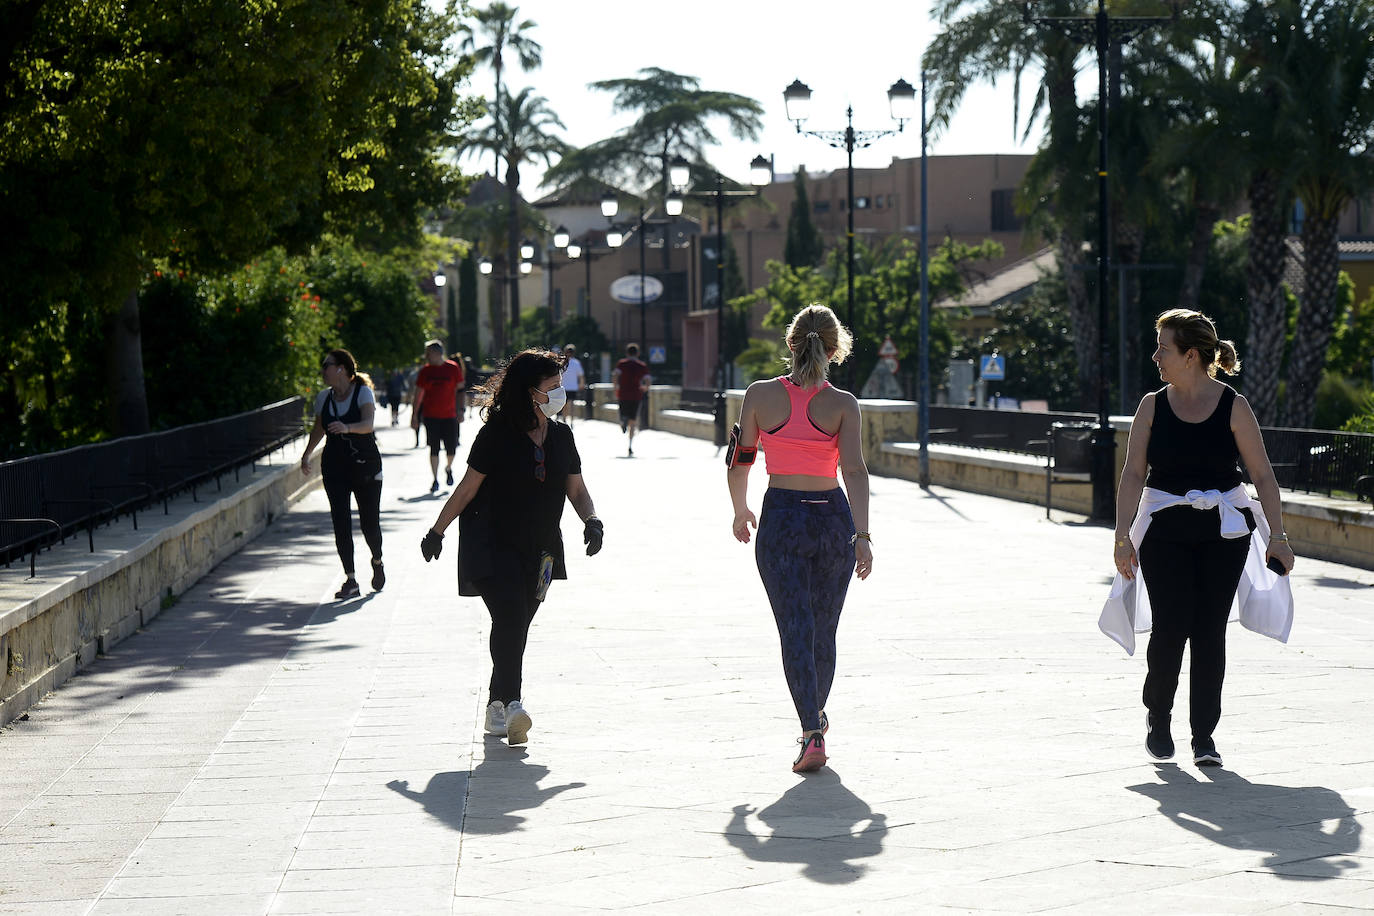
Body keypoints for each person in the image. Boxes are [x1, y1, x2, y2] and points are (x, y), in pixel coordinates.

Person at [1114, 309, 1295, 768]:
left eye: (1164, 348)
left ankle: (1204, 738)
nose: (1156, 356)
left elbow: (1262, 476)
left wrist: (1278, 536)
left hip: (1224, 532)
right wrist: (1122, 536)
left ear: (1190, 355)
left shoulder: (1233, 405)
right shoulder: (1151, 406)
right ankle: (1158, 713)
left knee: (1210, 632)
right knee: (1171, 626)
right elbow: (1134, 473)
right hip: (1164, 532)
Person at [420, 349, 604, 746]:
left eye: (561, 385)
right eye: (552, 386)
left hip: (542, 551)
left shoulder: (561, 436)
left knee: (516, 625)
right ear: (529, 391)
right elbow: (468, 488)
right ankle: (515, 704)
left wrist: (591, 520)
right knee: (509, 615)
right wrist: (437, 530)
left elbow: (577, 488)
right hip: (493, 543)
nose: (561, 393)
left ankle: (495, 705)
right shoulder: (496, 434)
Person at [727, 304, 872, 774]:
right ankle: (816, 722)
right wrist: (863, 535)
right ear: (835, 350)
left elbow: (740, 460)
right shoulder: (844, 404)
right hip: (833, 519)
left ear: (790, 344)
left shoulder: (759, 396)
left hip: (782, 517)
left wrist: (741, 508)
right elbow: (854, 470)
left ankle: (812, 729)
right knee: (823, 629)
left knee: (795, 628)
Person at [300, 349, 385, 600]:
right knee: (340, 522)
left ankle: (377, 561)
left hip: (365, 465)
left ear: (342, 368)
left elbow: (368, 423)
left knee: (369, 522)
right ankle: (351, 579)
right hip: (335, 467)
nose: (323, 369)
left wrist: (347, 427)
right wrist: (306, 454)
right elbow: (318, 429)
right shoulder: (323, 398)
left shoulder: (362, 392)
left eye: (327, 365)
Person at [412, 340, 464, 493]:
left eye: (429, 354)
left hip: (450, 415)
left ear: (438, 353)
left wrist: (461, 410)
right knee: (433, 448)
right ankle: (435, 479)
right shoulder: (425, 372)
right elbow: (418, 394)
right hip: (431, 416)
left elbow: (460, 390)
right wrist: (414, 415)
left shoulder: (453, 369)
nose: (427, 357)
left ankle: (448, 468)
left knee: (451, 449)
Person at [612, 343, 651, 456]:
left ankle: (623, 421)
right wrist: (645, 388)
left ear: (627, 352)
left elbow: (615, 375)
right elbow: (648, 379)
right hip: (636, 395)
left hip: (623, 394)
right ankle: (630, 444)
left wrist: (615, 387)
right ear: (637, 353)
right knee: (633, 420)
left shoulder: (622, 364)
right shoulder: (641, 365)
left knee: (623, 414)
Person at [559, 344, 585, 427]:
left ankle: (564, 419)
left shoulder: (562, 362)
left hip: (563, 386)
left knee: (564, 405)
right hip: (573, 387)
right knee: (571, 405)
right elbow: (581, 375)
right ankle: (572, 420)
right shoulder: (576, 363)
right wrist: (581, 384)